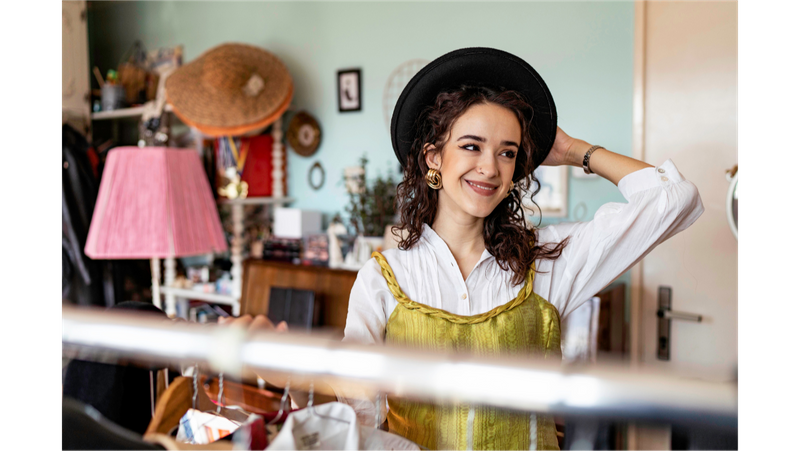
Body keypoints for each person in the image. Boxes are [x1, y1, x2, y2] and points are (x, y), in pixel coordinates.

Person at [226, 48, 703, 450]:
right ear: (434, 157)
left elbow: (673, 199)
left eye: (508, 151)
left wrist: (576, 150)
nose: (490, 168)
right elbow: (360, 411)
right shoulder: (385, 277)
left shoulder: (549, 258)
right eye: (472, 146)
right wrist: (282, 369)